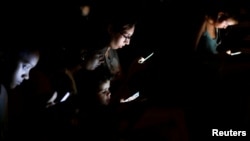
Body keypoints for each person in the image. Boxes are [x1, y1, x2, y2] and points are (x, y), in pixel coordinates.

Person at [0, 47, 40, 140]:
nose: (27, 76)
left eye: (30, 70)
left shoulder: (4, 93)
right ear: (6, 57)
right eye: (25, 67)